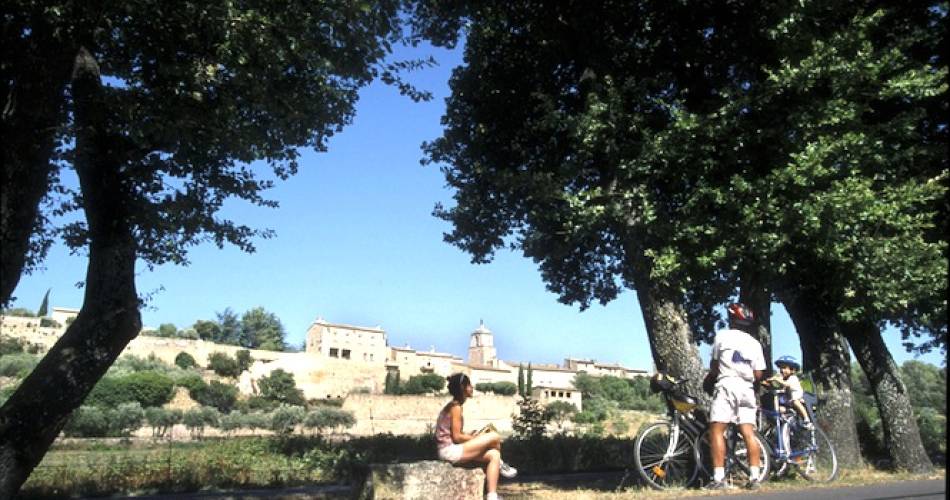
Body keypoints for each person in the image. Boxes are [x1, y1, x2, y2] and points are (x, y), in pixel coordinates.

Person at [702, 303, 767, 490]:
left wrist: (709, 380)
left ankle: (719, 477)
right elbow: (759, 374)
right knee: (748, 432)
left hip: (727, 384)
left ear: (731, 318)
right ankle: (755, 477)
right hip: (747, 388)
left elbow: (715, 367)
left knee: (716, 430)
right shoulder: (755, 343)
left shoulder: (722, 336)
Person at [436, 373, 517, 500]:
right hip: (449, 451)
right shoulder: (455, 407)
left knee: (494, 455)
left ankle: (491, 496)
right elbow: (457, 437)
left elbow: (455, 434)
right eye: (469, 385)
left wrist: (470, 436)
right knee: (494, 436)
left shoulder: (454, 406)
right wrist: (477, 439)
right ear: (463, 388)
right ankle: (502, 465)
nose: (472, 387)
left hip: (451, 449)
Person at [765, 355, 813, 428]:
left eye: (784, 368)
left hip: (796, 396)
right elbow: (779, 388)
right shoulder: (783, 378)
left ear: (792, 370)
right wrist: (768, 385)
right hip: (788, 399)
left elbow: (786, 385)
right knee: (779, 408)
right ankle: (783, 418)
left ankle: (806, 418)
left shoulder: (793, 378)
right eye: (781, 368)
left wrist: (776, 379)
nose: (782, 370)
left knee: (795, 401)